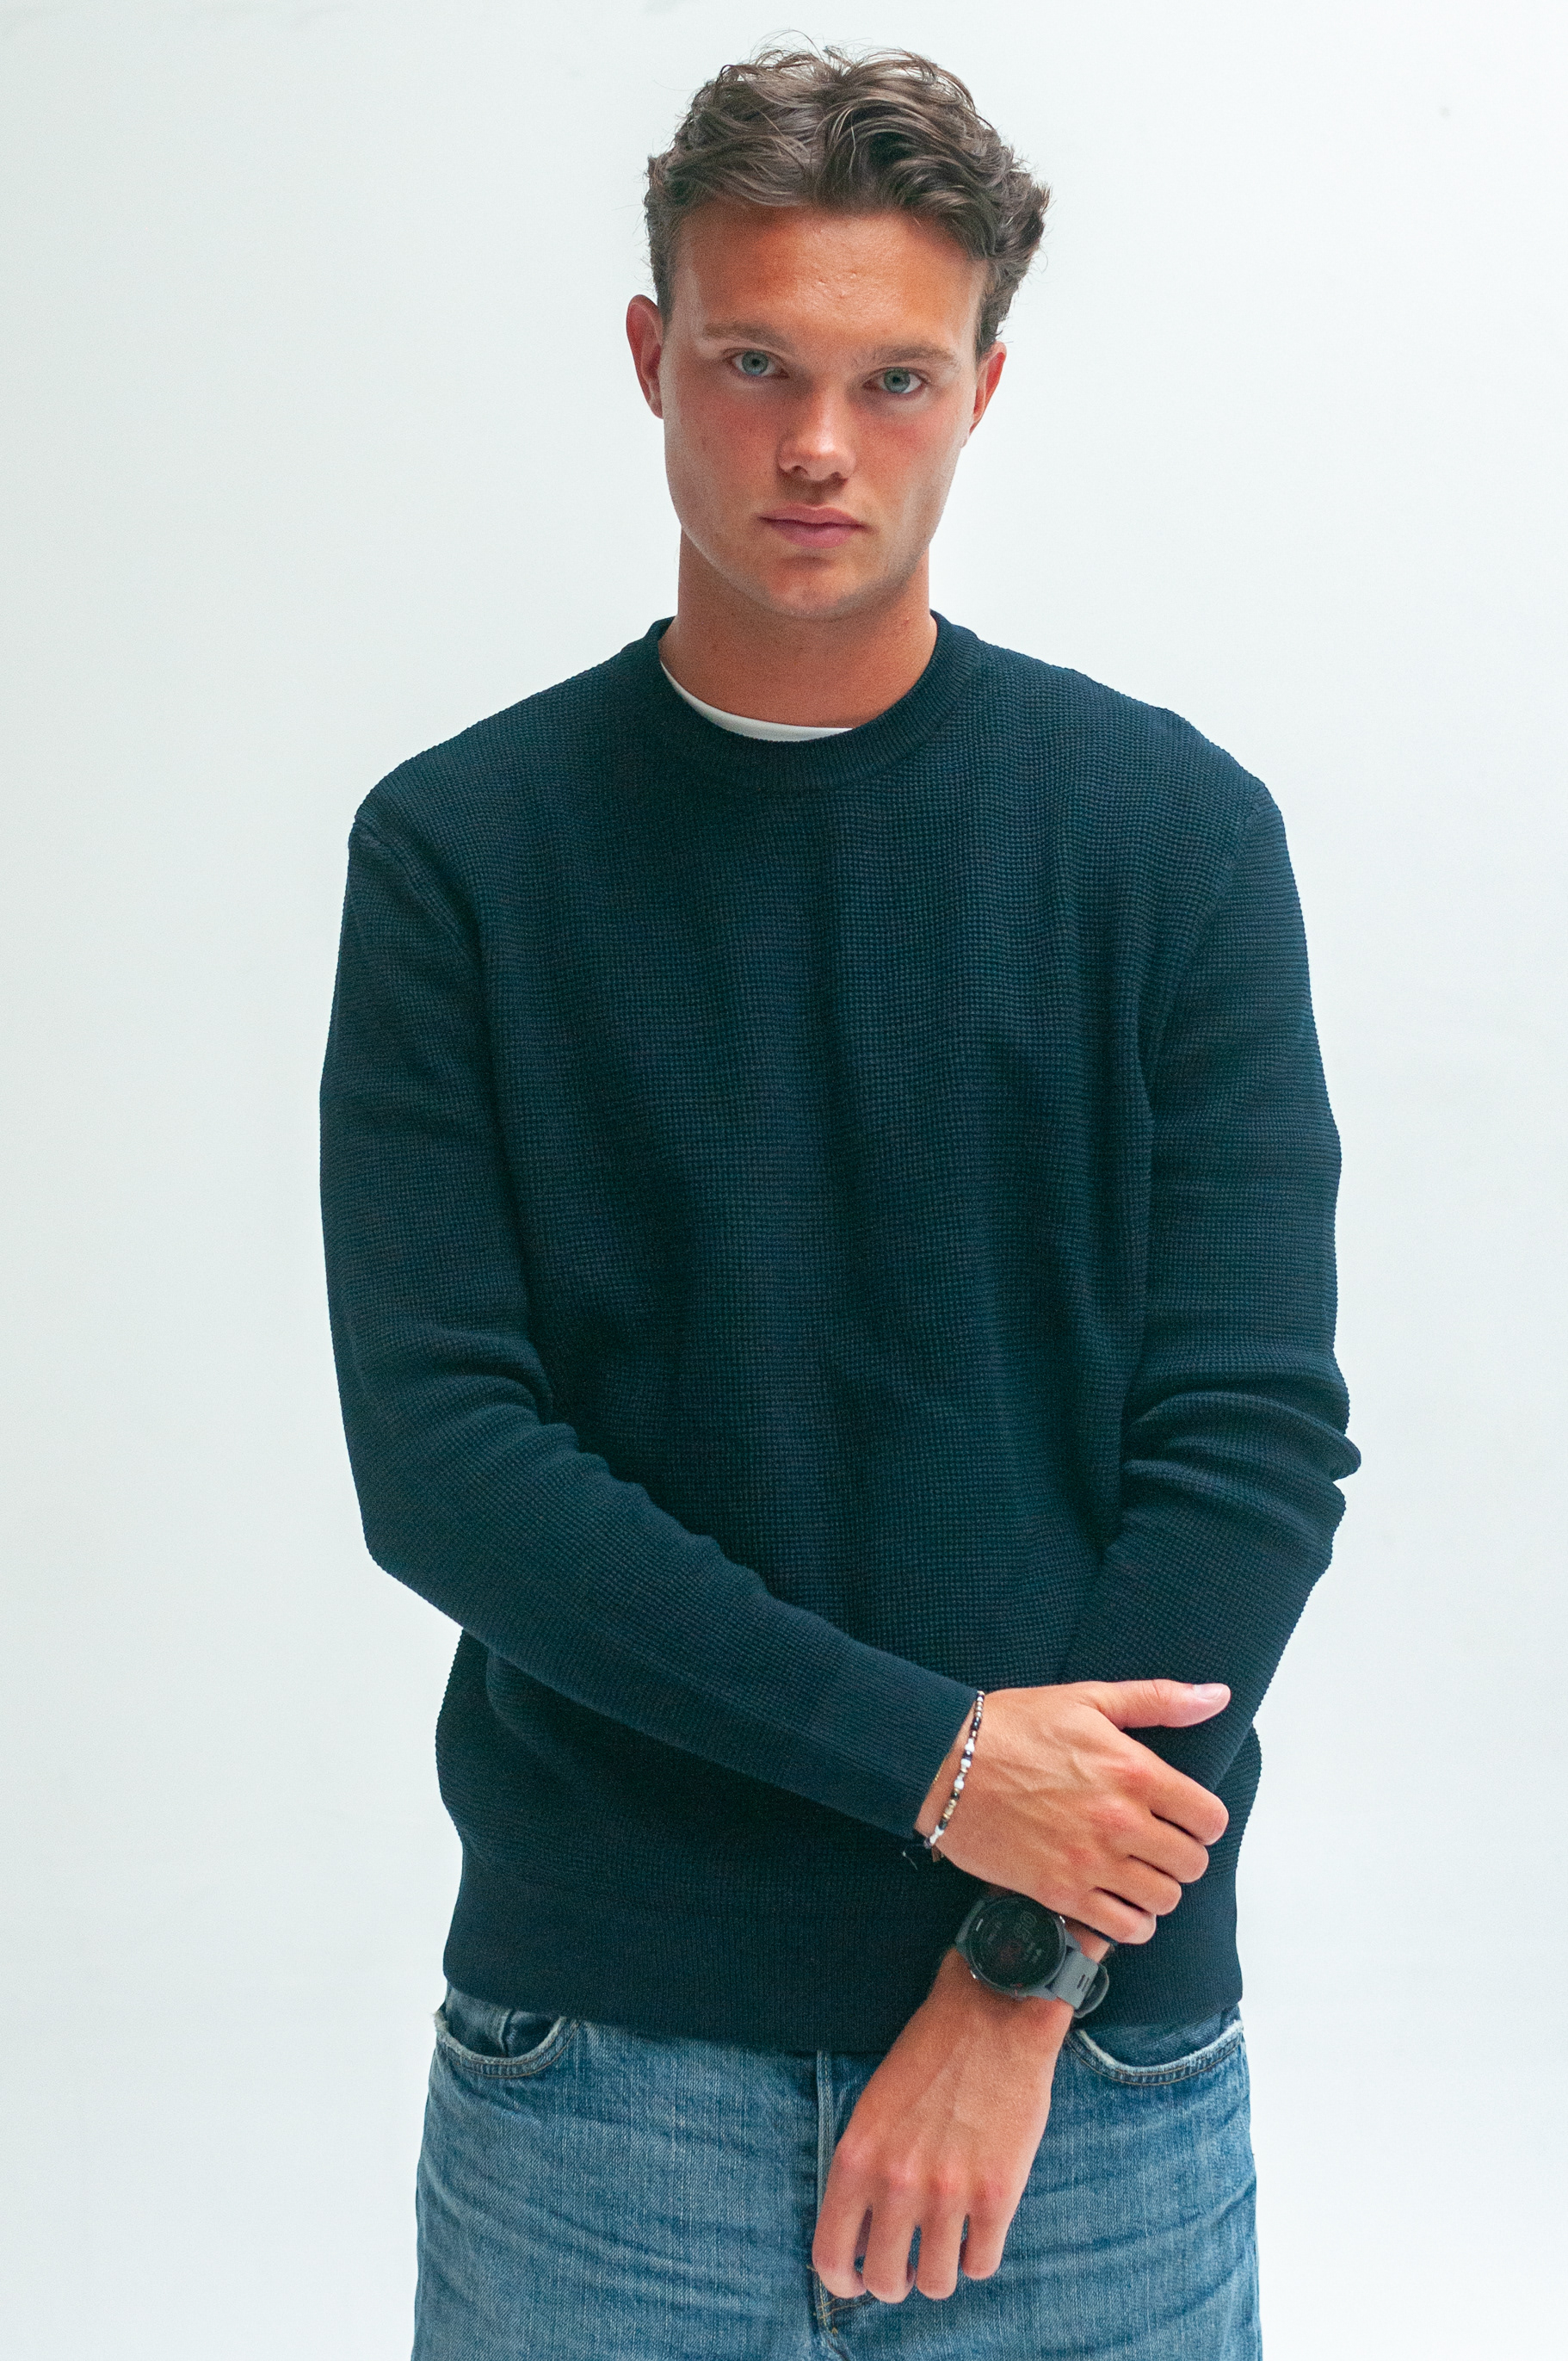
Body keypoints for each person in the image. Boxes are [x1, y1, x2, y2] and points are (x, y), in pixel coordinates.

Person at [318, 43, 1358, 2359]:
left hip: (1083, 2083)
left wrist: (1016, 1969)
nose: (817, 444)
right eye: (753, 363)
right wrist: (941, 1768)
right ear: (648, 357)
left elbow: (1247, 1450)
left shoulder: (1170, 839)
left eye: (892, 378)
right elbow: (451, 1464)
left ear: (983, 388)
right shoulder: (466, 856)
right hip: (609, 2079)